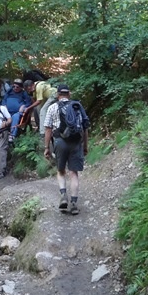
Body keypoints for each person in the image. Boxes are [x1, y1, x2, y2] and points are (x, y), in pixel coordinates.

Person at [43, 84, 90, 215]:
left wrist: (46, 147)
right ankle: (74, 203)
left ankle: (63, 195)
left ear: (58, 95)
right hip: (76, 142)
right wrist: (85, 146)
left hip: (60, 142)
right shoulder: (77, 107)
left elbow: (48, 129)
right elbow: (85, 128)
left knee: (61, 170)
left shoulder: (52, 107)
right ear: (69, 94)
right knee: (74, 173)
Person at [2, 79, 32, 143]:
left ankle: (12, 135)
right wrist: (4, 105)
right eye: (14, 86)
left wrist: (24, 106)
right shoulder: (9, 92)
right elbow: (4, 100)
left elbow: (28, 103)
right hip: (7, 111)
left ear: (21, 87)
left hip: (17, 112)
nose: (15, 88)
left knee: (15, 117)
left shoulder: (24, 93)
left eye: (17, 87)